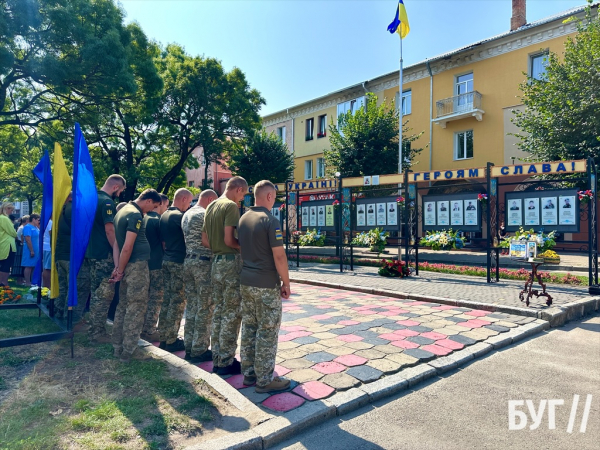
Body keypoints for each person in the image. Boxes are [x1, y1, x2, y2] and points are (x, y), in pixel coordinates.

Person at [238, 180, 292, 393]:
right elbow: (279, 256)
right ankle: (265, 380)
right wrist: (286, 282)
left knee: (249, 327)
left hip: (246, 281)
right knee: (267, 331)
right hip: (266, 283)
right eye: (275, 196)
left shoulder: (243, 218)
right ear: (269, 196)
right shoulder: (270, 220)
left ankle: (249, 374)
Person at [202, 176, 248, 375]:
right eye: (243, 195)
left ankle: (218, 357)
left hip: (216, 263)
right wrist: (244, 247)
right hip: (230, 264)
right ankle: (226, 362)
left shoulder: (211, 206)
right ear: (238, 189)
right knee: (231, 313)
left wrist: (218, 248)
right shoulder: (230, 207)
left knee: (219, 312)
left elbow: (205, 240)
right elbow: (230, 240)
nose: (241, 200)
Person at [109, 189, 162, 362]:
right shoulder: (135, 215)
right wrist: (122, 269)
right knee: (136, 308)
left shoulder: (121, 211)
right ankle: (129, 351)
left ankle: (117, 346)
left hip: (126, 266)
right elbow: (127, 246)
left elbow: (117, 244)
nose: (150, 210)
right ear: (147, 201)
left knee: (123, 306)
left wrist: (118, 268)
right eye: (153, 206)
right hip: (136, 267)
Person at [86, 174, 126, 343]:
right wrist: (116, 251)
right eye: (121, 191)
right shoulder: (107, 202)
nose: (120, 195)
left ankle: (93, 328)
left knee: (95, 292)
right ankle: (97, 333)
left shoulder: (91, 199)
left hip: (91, 252)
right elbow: (110, 231)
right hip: (104, 254)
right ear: (116, 187)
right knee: (103, 295)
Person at [181, 189, 218, 362]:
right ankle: (200, 349)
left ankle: (189, 345)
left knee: (193, 306)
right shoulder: (205, 214)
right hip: (203, 263)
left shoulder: (187, 213)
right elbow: (210, 240)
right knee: (205, 307)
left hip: (188, 261)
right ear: (210, 199)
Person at [158, 188, 193, 351]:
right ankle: (171, 340)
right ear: (184, 198)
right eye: (189, 201)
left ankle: (164, 335)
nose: (189, 205)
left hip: (167, 259)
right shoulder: (179, 217)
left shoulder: (164, 214)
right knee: (178, 301)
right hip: (179, 261)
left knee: (168, 299)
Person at [54, 193, 90, 326]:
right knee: (78, 287)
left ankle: (60, 312)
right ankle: (74, 318)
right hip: (72, 257)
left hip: (61, 255)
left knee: (63, 287)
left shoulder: (62, 210)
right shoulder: (75, 210)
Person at [141, 193, 169, 341]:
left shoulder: (143, 218)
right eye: (166, 205)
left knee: (144, 297)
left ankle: (142, 326)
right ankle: (150, 330)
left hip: (143, 263)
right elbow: (164, 244)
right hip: (157, 264)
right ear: (161, 204)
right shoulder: (158, 221)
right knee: (156, 298)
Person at [0, 202, 17, 287]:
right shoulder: (5, 218)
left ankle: (2, 283)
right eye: (11, 209)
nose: (12, 212)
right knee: (6, 264)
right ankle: (4, 283)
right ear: (7, 209)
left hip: (3, 243)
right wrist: (15, 233)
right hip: (7, 245)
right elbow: (13, 232)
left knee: (3, 263)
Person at [21, 214, 40, 286]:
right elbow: (27, 239)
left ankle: (33, 281)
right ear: (33, 219)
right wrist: (31, 250)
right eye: (38, 220)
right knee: (28, 266)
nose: (39, 221)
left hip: (36, 249)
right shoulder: (28, 227)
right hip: (29, 249)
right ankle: (27, 282)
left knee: (34, 265)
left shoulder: (36, 228)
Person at [42, 219, 52, 288]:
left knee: (46, 267)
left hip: (46, 246)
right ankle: (47, 287)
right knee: (48, 268)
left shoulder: (46, 221)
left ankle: (46, 287)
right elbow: (52, 234)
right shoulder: (50, 222)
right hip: (49, 247)